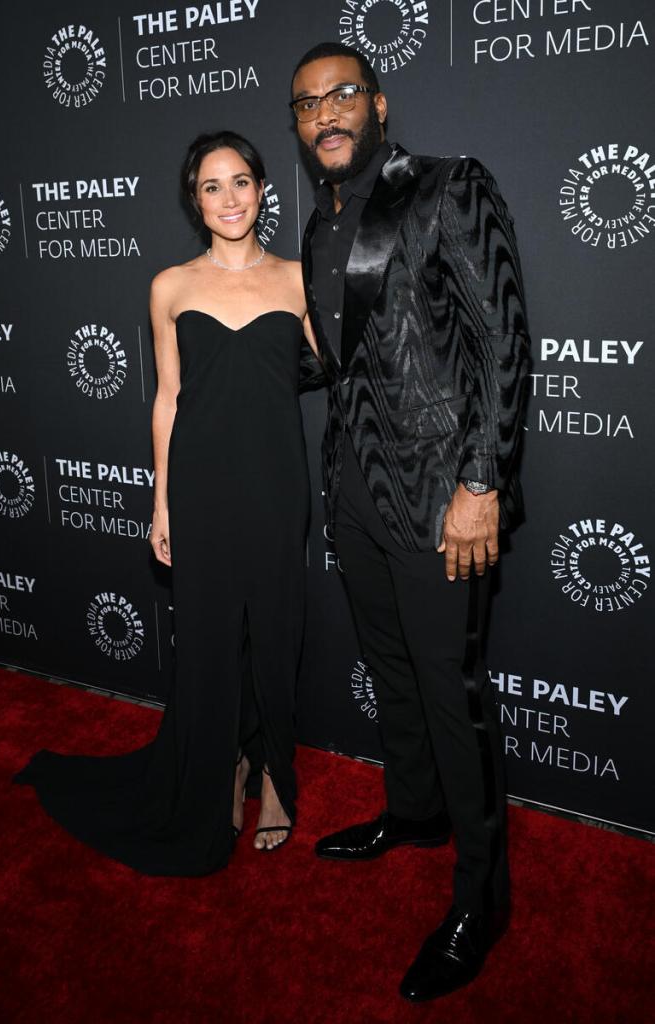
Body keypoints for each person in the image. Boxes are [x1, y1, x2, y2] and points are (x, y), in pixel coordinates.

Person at [290, 43, 531, 1000]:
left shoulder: (444, 187)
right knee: (390, 673)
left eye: (342, 93)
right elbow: (330, 362)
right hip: (352, 488)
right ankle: (415, 812)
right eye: (307, 105)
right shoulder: (318, 223)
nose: (325, 114)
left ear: (378, 102)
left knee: (447, 692)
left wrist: (482, 481)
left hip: (441, 496)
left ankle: (484, 896)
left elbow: (504, 337)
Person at [14, 131, 319, 871]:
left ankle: (273, 775)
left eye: (240, 181)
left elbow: (328, 368)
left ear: (260, 187)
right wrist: (162, 503)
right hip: (201, 487)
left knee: (275, 638)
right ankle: (221, 771)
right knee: (210, 645)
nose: (229, 198)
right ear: (194, 198)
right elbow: (168, 399)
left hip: (278, 483)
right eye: (211, 186)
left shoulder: (299, 278)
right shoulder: (170, 285)